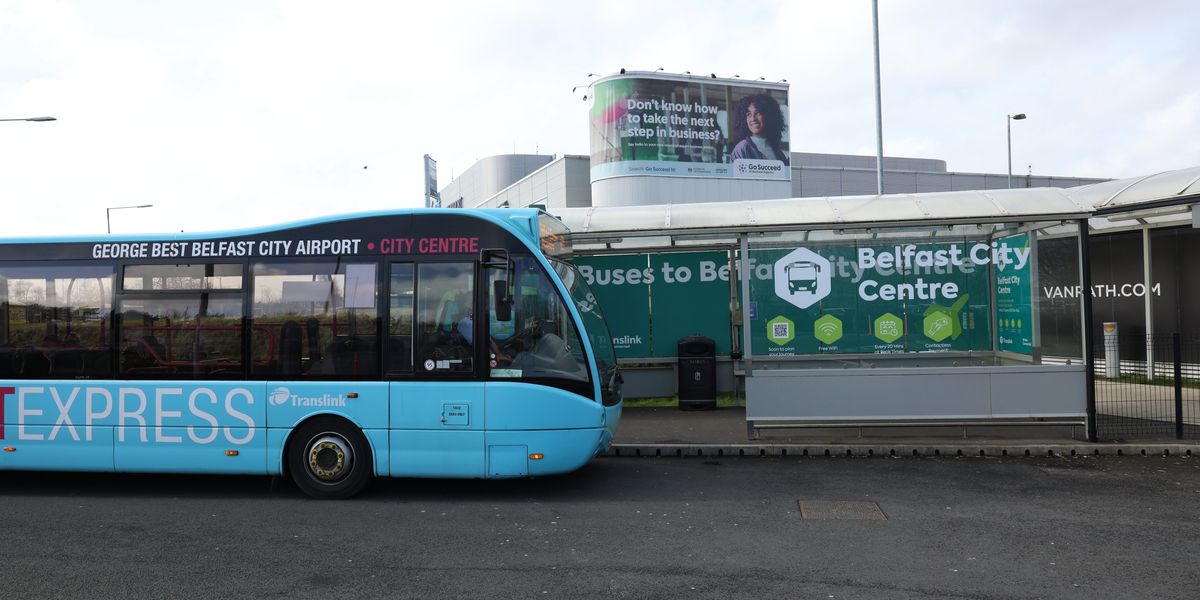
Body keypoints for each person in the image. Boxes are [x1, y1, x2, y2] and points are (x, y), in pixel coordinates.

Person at [728, 93, 790, 165]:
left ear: (768, 115)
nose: (753, 119)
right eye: (749, 114)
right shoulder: (741, 149)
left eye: (758, 113)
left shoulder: (777, 151)